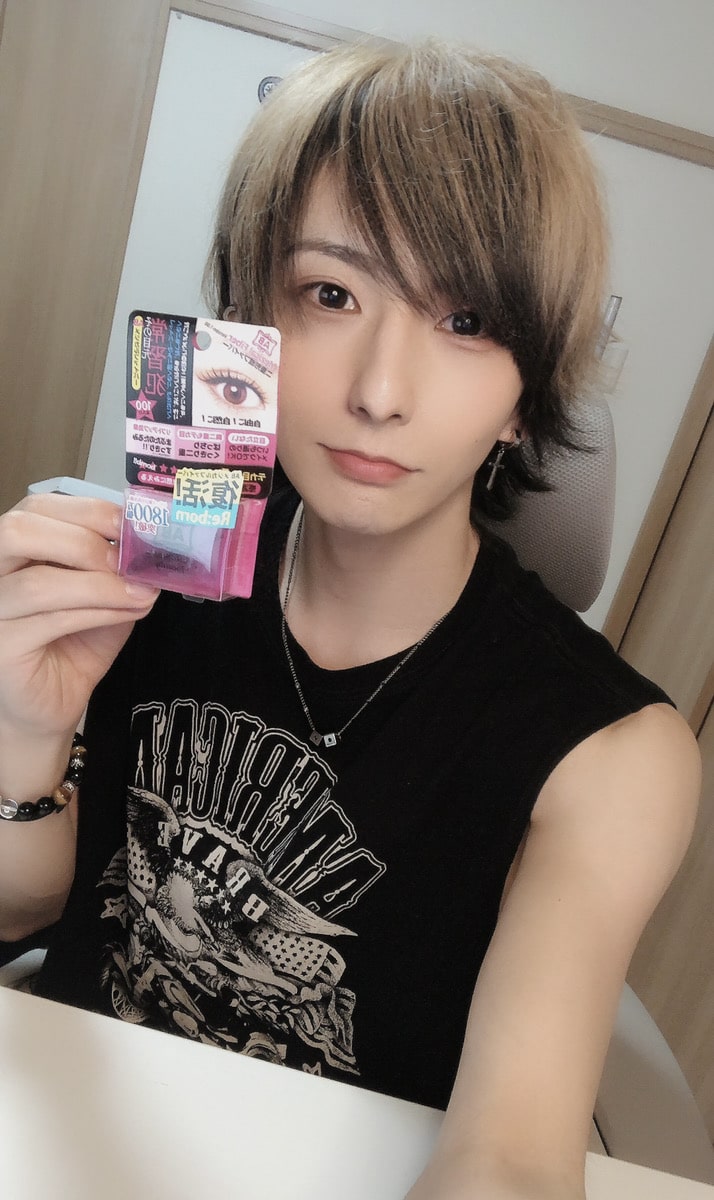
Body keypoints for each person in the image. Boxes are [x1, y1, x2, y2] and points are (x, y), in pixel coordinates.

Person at [0, 38, 700, 1200]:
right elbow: (23, 914)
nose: (380, 391)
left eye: (465, 320)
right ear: (252, 327)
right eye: (332, 294)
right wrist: (23, 733)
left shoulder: (609, 754)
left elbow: (511, 1158)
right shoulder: (135, 583)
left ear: (527, 399)